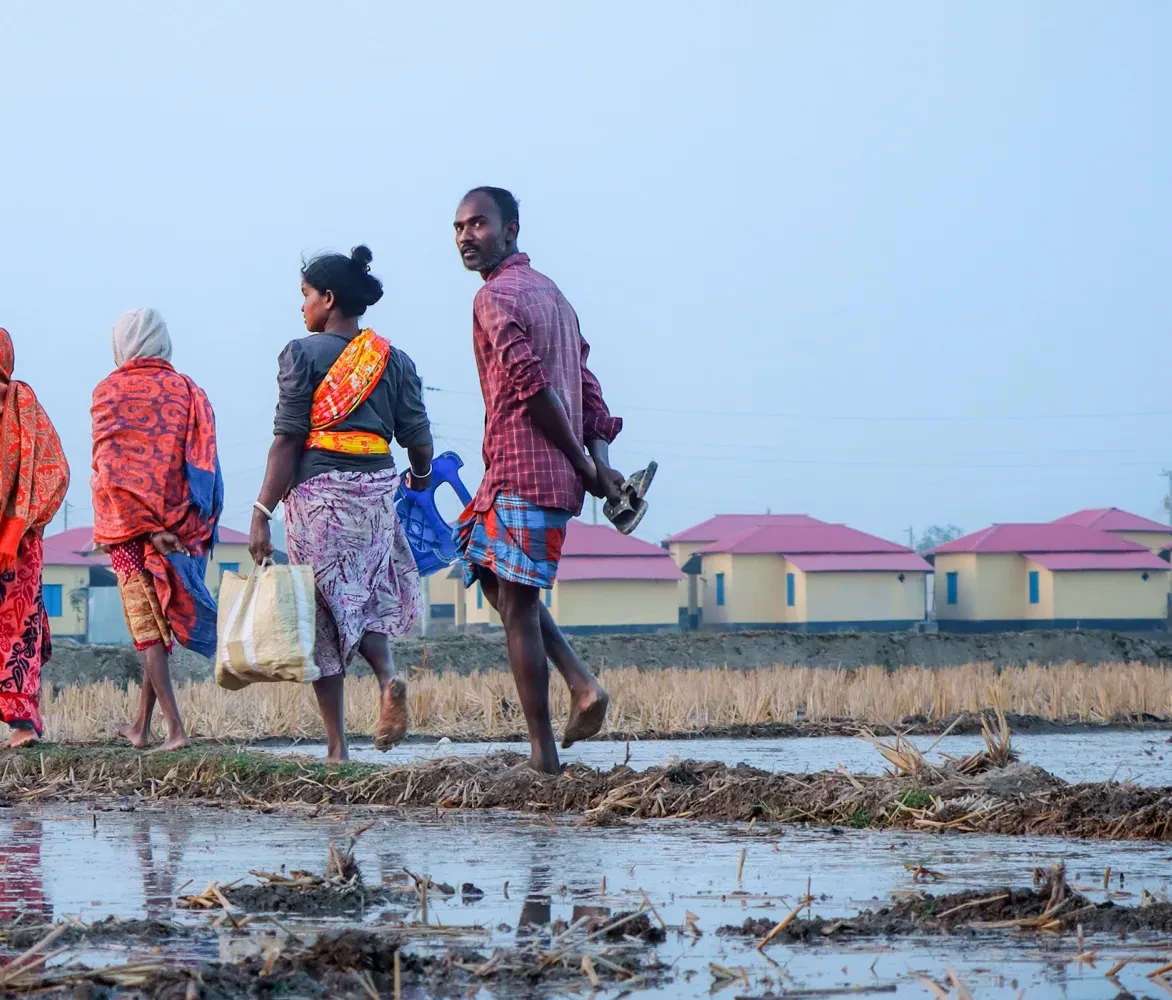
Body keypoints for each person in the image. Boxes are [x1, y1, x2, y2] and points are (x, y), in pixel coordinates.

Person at [452, 186, 625, 774]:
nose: (466, 237)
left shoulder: (495, 299)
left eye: (478, 225)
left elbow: (533, 388)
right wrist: (598, 462)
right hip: (531, 473)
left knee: (518, 606)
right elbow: (587, 383)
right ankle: (581, 683)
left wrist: (585, 461)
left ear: (512, 229)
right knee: (498, 583)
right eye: (458, 228)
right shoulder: (553, 294)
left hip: (526, 469)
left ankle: (543, 755)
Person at [248, 245, 432, 763]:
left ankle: (337, 747)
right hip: (376, 493)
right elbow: (418, 438)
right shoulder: (394, 360)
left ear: (328, 299)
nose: (301, 307)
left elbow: (287, 440)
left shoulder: (301, 355)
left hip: (319, 499)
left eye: (305, 295)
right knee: (367, 596)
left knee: (324, 613)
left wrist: (262, 512)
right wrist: (418, 480)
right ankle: (387, 677)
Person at [92, 308, 223, 752]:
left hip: (130, 532)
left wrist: (145, 529)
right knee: (157, 627)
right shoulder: (188, 390)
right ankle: (141, 727)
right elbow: (202, 462)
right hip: (180, 529)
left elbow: (112, 470)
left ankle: (175, 730)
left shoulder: (108, 392)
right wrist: (174, 525)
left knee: (147, 630)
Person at [0, 328, 70, 748]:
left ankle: (23, 725)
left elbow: (54, 471)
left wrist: (19, 525)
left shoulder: (24, 405)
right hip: (16, 543)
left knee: (17, 630)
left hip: (17, 548)